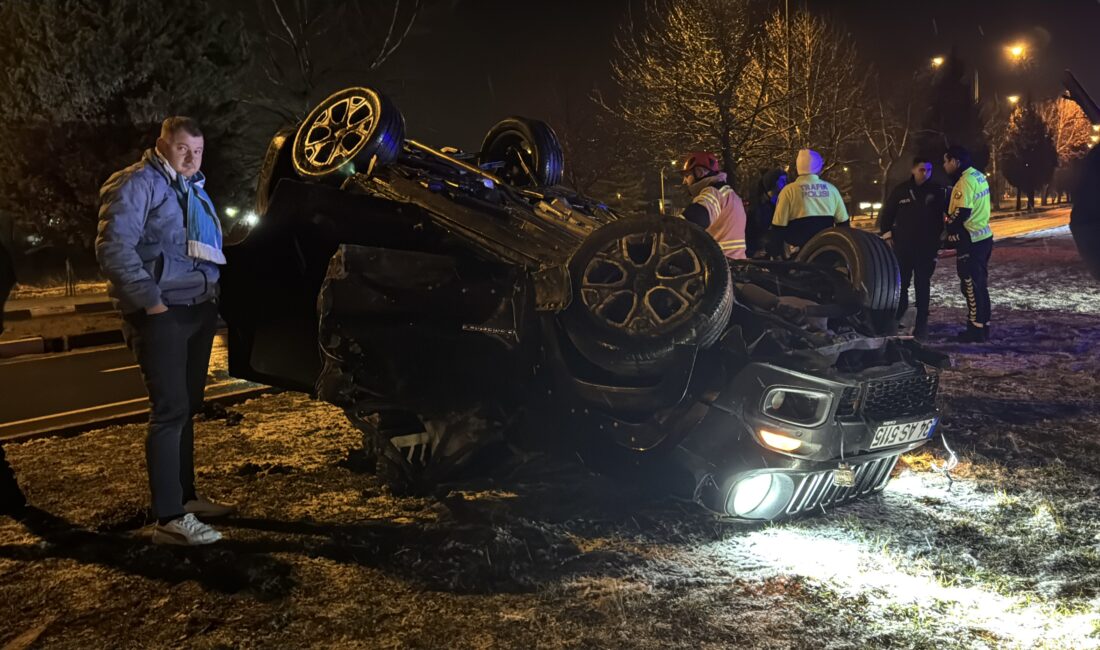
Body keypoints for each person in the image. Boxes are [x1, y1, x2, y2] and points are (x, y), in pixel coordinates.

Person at [96, 116, 232, 545]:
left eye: (198, 150)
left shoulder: (193, 188)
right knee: (169, 411)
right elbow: (113, 248)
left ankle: (185, 498)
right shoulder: (138, 183)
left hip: (195, 309)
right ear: (162, 145)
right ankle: (169, 519)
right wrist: (151, 301)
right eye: (182, 149)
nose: (191, 158)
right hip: (162, 312)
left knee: (187, 408)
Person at [878, 158, 948, 339]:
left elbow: (948, 215)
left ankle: (921, 323)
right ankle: (897, 318)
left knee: (922, 284)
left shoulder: (937, 191)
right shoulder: (901, 191)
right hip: (903, 246)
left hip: (927, 247)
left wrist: (943, 238)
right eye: (922, 170)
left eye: (929, 170)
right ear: (913, 170)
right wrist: (887, 235)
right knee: (902, 284)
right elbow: (887, 213)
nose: (926, 173)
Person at [943, 145, 993, 343]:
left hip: (970, 240)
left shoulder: (964, 183)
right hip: (984, 237)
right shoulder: (979, 176)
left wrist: (948, 227)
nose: (944, 165)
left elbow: (961, 213)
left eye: (946, 161)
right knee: (981, 285)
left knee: (970, 286)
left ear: (955, 162)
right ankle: (984, 324)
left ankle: (975, 329)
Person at [770, 148, 850, 256]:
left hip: (798, 256)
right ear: (818, 167)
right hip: (825, 252)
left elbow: (778, 227)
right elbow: (843, 223)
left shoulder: (789, 191)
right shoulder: (832, 190)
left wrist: (775, 253)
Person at [678, 152, 749, 259]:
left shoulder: (713, 192)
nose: (684, 181)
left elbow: (693, 220)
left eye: (687, 175)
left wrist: (668, 230)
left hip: (720, 266)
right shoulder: (732, 195)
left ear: (699, 172)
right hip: (736, 263)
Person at [748, 169, 787, 257]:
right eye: (782, 181)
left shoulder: (782, 204)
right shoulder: (758, 209)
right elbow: (750, 233)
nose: (785, 184)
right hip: (762, 254)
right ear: (773, 183)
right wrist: (752, 252)